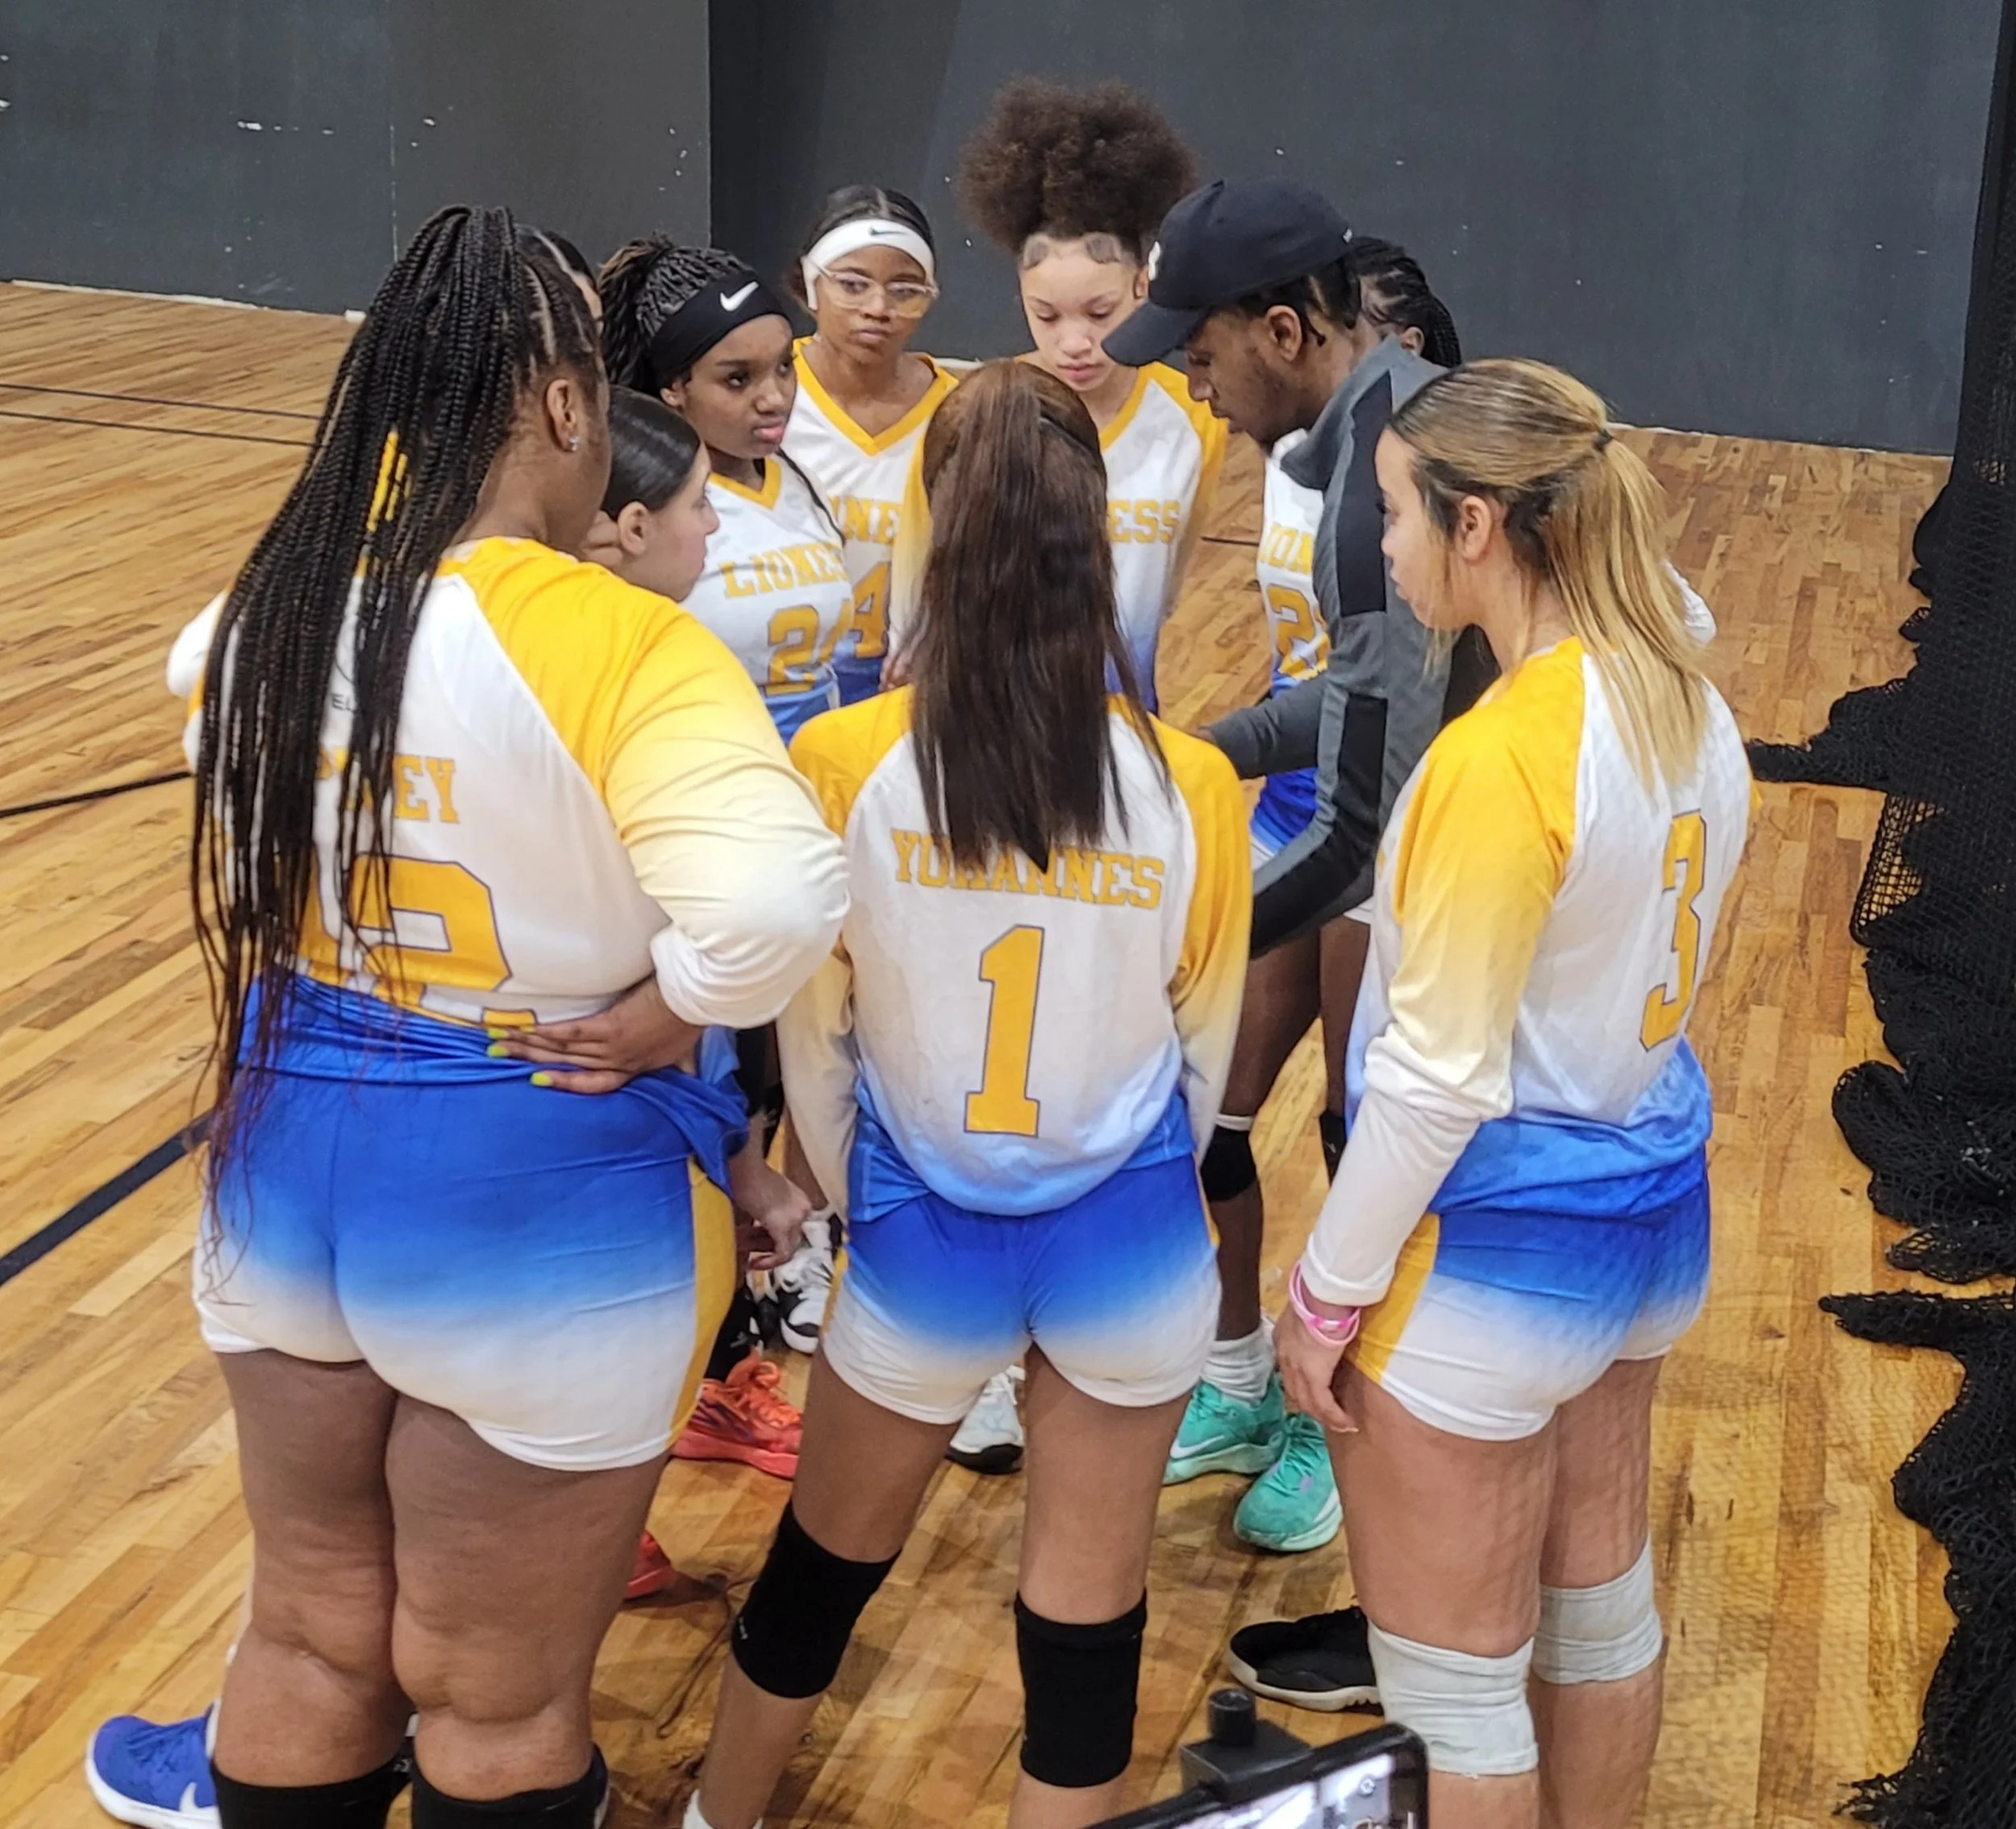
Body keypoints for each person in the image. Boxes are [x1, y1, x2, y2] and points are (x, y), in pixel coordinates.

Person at [165, 206, 847, 1829]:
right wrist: (672, 1013)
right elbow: (772, 906)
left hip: (285, 1171)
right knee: (496, 1696)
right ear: (560, 403)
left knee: (307, 1637)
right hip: (533, 1192)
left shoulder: (269, 610)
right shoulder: (616, 639)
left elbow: (201, 711)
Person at [681, 363, 1250, 1829]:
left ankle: (715, 1815)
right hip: (1129, 1243)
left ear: (931, 524)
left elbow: (817, 1039)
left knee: (820, 1572)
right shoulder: (1193, 783)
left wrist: (866, 1200)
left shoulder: (843, 759)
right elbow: (1200, 1052)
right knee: (1085, 1626)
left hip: (922, 1241)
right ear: (1096, 534)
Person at [1265, 359, 1751, 1828]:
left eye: (1399, 514)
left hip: (1486, 1268)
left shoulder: (1503, 759)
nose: (1388, 545)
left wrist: (1326, 1294)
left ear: (1478, 524)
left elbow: (1433, 1082)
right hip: (1651, 1223)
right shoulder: (1690, 705)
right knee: (1601, 1617)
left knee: (1454, 1693)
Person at [1107, 184, 1491, 1554]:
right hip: (1448, 836)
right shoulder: (1401, 424)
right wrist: (1206, 750)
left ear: (1283, 330)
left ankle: (1372, 1471)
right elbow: (1369, 697)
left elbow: (1355, 833)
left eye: (1200, 350)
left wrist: (1181, 949)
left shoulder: (1385, 469)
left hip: (1459, 878)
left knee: (1379, 1148)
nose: (1192, 385)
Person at [888, 77, 1223, 706]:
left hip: (1130, 717)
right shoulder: (971, 412)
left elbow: (1194, 596)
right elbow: (918, 579)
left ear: (1142, 286)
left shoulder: (1198, 418)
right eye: (1046, 315)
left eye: (1099, 313)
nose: (1074, 342)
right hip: (989, 715)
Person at [600, 236, 852, 742]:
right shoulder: (639, 502)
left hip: (821, 767)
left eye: (785, 366)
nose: (775, 397)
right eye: (738, 380)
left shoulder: (801, 480)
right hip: (709, 758)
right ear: (675, 387)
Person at [784, 184, 957, 706]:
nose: (878, 308)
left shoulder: (959, 412)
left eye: (905, 290)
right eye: (853, 285)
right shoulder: (766, 394)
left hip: (907, 681)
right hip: (782, 676)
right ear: (810, 284)